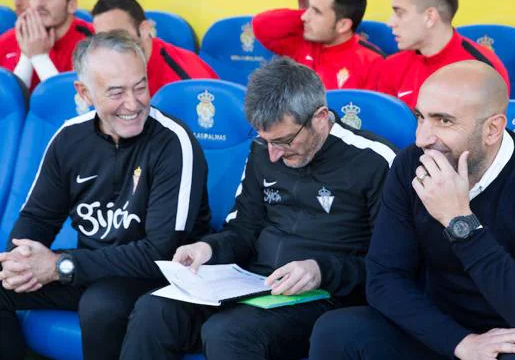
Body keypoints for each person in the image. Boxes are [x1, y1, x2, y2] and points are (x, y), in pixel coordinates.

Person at [119, 57, 397, 360]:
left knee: (228, 332)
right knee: (154, 309)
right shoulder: (263, 150)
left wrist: (321, 270)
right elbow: (244, 229)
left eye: (284, 141)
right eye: (265, 141)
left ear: (319, 117)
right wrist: (207, 249)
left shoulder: (374, 161)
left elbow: (390, 265)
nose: (274, 155)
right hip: (253, 282)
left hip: (326, 295)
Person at [309, 60, 515, 360]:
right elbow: (383, 278)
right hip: (443, 328)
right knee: (337, 331)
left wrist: (459, 222)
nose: (422, 138)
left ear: (492, 129)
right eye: (420, 118)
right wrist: (460, 342)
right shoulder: (411, 165)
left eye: (444, 121)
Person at [0, 31, 211, 360]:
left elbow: (161, 252)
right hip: (89, 267)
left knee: (101, 304)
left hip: (151, 276)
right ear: (84, 92)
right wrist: (21, 260)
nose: (133, 102)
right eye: (116, 92)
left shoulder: (174, 142)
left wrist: (63, 265)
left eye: (140, 86)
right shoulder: (69, 137)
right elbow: (36, 218)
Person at [371, 0, 509, 108]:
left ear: (430, 17)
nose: (390, 23)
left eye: (399, 13)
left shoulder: (484, 71)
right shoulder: (392, 66)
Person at [252, 0, 384, 90]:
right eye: (309, 7)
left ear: (343, 25)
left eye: (317, 11)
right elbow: (260, 25)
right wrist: (312, 15)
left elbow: (375, 114)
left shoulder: (372, 63)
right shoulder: (302, 40)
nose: (304, 17)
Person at [92, 0, 219, 96]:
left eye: (118, 35)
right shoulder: (97, 72)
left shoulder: (187, 78)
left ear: (144, 29)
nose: (110, 47)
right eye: (102, 39)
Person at [0, 0, 92, 91]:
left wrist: (39, 57)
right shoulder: (7, 40)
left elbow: (77, 106)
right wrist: (26, 56)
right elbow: (7, 106)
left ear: (71, 5)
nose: (39, 3)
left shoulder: (93, 41)